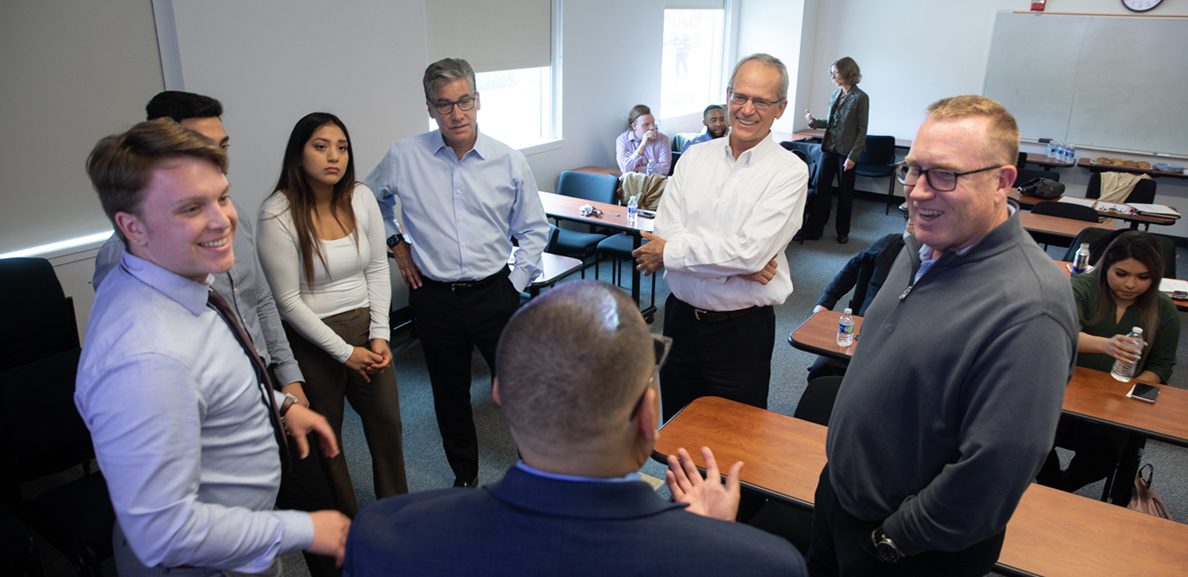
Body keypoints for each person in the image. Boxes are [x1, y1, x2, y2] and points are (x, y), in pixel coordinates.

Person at [342, 280, 808, 576]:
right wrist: (714, 541)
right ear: (650, 419)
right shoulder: (762, 564)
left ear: (501, 394)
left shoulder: (384, 535)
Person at [808, 95, 1078, 577]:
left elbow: (995, 471)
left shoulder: (1030, 306)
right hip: (840, 501)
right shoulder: (922, 245)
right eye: (913, 169)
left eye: (944, 175)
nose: (916, 191)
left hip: (905, 547)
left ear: (1002, 181)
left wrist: (896, 539)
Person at [77, 118, 351, 576]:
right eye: (190, 208)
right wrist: (303, 530)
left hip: (240, 540)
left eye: (221, 197)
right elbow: (165, 533)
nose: (222, 219)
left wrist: (278, 404)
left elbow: (208, 375)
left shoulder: (172, 279)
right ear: (132, 226)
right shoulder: (146, 359)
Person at [363, 57, 549, 489]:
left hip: (494, 294)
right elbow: (369, 199)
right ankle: (464, 477)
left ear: (478, 101)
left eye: (464, 101)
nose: (456, 113)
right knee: (450, 395)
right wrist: (397, 243)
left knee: (519, 389)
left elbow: (534, 230)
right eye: (444, 104)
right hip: (434, 297)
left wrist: (514, 284)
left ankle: (537, 473)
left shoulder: (508, 160)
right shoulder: (404, 156)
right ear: (429, 108)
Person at [633, 53, 809, 422]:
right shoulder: (694, 157)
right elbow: (666, 232)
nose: (747, 109)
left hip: (740, 334)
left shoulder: (789, 171)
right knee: (677, 430)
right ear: (727, 95)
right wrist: (740, 266)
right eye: (740, 97)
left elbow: (748, 253)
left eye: (761, 101)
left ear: (781, 108)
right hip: (679, 320)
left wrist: (677, 254)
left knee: (737, 441)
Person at [257, 113, 407, 517]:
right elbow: (286, 301)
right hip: (313, 340)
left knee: (388, 425)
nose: (334, 157)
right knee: (329, 442)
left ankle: (397, 515)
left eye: (341, 147)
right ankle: (346, 528)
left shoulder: (359, 197)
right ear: (299, 154)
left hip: (366, 329)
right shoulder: (277, 213)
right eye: (320, 147)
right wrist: (344, 352)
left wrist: (380, 334)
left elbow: (377, 266)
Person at [1038, 231, 1179, 499]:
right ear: (1105, 268)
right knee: (1029, 437)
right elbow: (1060, 333)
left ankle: (1059, 489)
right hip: (1063, 392)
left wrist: (1130, 394)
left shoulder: (1164, 309)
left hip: (1116, 405)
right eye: (1121, 273)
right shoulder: (1080, 288)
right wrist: (1105, 344)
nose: (1130, 284)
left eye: (1143, 277)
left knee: (1107, 453)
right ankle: (1053, 487)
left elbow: (1162, 365)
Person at [805, 210, 913, 384]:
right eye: (909, 220)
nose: (911, 227)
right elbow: (854, 265)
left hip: (902, 345)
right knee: (823, 369)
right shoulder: (890, 244)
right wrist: (826, 302)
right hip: (863, 335)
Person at [797, 57, 869, 244]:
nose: (832, 76)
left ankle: (842, 231)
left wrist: (853, 156)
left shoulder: (860, 97)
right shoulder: (836, 95)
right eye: (832, 72)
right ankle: (815, 229)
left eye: (835, 72)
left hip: (847, 153)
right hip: (829, 148)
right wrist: (814, 123)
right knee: (821, 188)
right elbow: (832, 122)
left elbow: (862, 130)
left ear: (847, 72)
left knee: (845, 194)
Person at [616, 104, 672, 176]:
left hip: (655, 183)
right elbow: (624, 169)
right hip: (632, 183)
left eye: (653, 123)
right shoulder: (623, 140)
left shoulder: (663, 139)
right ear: (634, 126)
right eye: (646, 125)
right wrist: (642, 146)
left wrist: (637, 169)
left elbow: (664, 169)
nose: (652, 127)